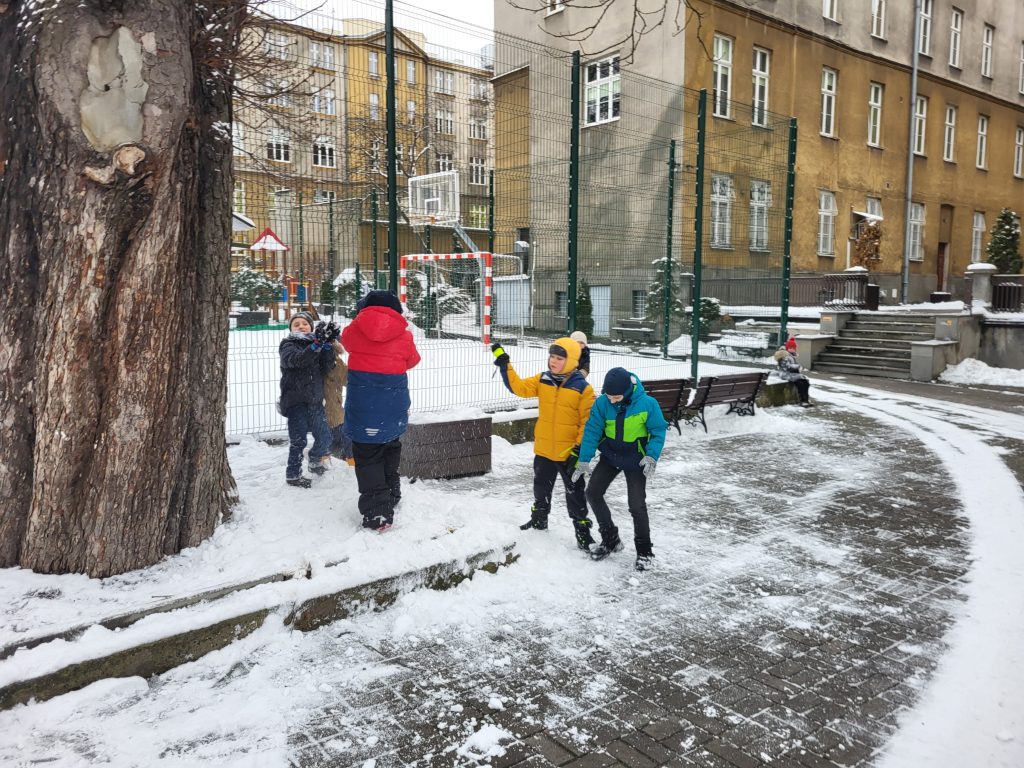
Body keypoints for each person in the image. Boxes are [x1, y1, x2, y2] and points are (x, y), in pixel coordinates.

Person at [491, 336, 596, 551]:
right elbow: (519, 387)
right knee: (540, 487)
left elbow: (589, 423)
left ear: (571, 361)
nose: (553, 361)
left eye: (559, 358)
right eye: (552, 356)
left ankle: (582, 531)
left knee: (574, 492)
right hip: (545, 449)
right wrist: (504, 364)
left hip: (569, 452)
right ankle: (539, 518)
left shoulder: (583, 389)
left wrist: (579, 450)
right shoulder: (544, 380)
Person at [572, 367, 667, 572]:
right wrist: (584, 459)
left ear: (628, 391)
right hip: (611, 456)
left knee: (636, 505)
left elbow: (658, 430)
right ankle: (610, 539)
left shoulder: (647, 404)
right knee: (593, 492)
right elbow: (592, 431)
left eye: (616, 397)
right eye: (609, 396)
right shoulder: (602, 404)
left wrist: (652, 455)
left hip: (636, 460)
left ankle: (644, 552)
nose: (612, 400)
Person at [343, 290, 421, 531]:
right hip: (392, 403)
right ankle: (392, 493)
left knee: (367, 457)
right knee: (390, 446)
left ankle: (378, 512)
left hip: (363, 404)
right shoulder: (404, 335)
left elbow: (345, 343)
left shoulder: (354, 330)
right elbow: (412, 360)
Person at [279, 311, 336, 488]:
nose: (301, 326)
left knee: (325, 437)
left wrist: (327, 345)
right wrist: (316, 345)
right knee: (299, 440)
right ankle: (293, 475)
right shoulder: (288, 344)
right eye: (296, 324)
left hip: (315, 400)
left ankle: (315, 460)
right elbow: (296, 360)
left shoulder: (316, 344)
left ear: (311, 327)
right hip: (295, 401)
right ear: (291, 329)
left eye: (305, 323)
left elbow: (328, 366)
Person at [323, 332, 354, 466]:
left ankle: (351, 463)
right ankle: (320, 460)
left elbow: (347, 379)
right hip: (322, 410)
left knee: (345, 438)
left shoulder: (337, 363)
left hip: (335, 409)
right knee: (329, 440)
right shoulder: (313, 362)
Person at [774, 337, 812, 407]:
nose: (792, 349)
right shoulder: (784, 355)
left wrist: (797, 367)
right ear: (787, 348)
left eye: (793, 348)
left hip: (792, 374)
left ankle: (806, 399)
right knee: (800, 383)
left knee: (806, 382)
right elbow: (786, 367)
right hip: (785, 374)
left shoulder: (791, 356)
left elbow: (792, 366)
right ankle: (802, 400)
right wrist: (797, 366)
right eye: (790, 348)